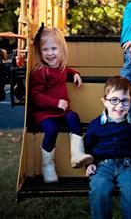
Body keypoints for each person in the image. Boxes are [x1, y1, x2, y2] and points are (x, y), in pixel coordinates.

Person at [85, 76, 131, 219]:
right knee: (99, 189)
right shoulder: (95, 125)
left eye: (125, 101)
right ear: (104, 102)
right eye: (114, 100)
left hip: (126, 166)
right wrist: (89, 164)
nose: (119, 106)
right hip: (102, 166)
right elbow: (88, 146)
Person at [29, 25, 93, 183]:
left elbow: (66, 71)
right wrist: (55, 102)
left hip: (62, 112)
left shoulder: (60, 68)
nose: (50, 53)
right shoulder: (40, 71)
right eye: (45, 50)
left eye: (54, 48)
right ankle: (47, 165)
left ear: (61, 50)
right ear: (40, 52)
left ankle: (77, 154)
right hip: (45, 113)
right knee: (52, 129)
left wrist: (75, 73)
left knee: (73, 117)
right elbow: (35, 96)